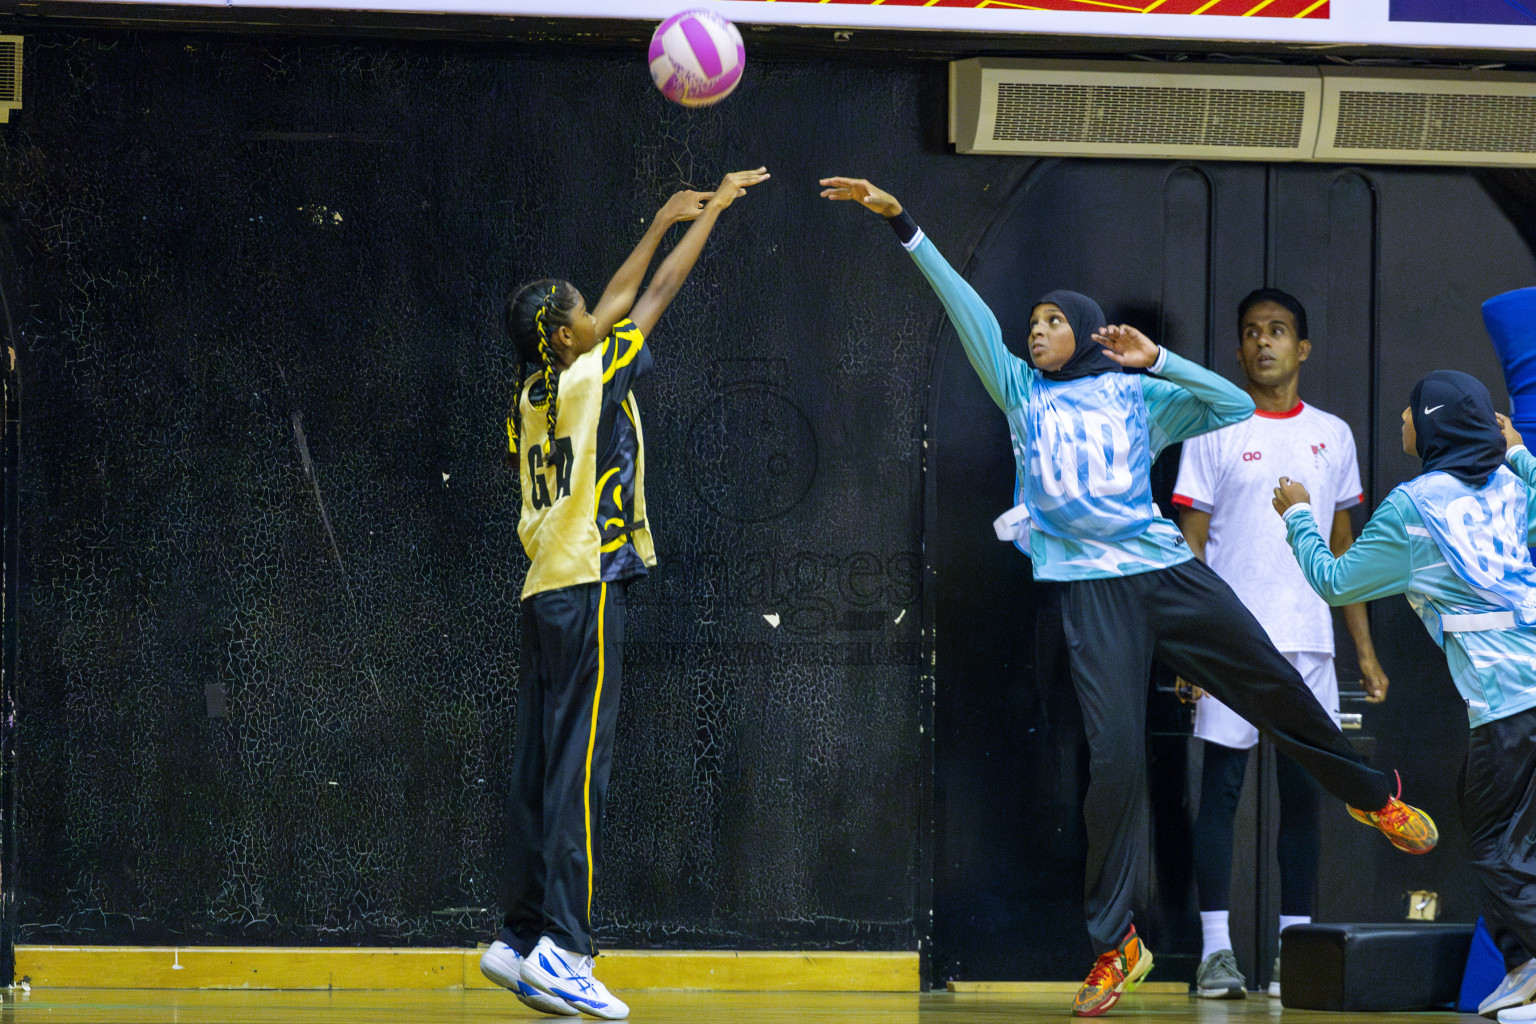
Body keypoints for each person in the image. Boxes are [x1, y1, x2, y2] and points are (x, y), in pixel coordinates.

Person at [818, 175, 1437, 1018]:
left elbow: (1228, 407)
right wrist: (905, 224)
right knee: (1111, 767)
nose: (1035, 331)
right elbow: (962, 305)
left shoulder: (1134, 395)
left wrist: (1162, 359)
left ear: (1082, 332)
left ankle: (1374, 801)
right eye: (1030, 323)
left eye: (1051, 320)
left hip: (1166, 576)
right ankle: (1120, 945)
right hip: (1092, 595)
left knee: (1269, 681)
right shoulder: (1019, 392)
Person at [479, 167, 770, 1020]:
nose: (595, 313)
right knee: (579, 775)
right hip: (584, 585)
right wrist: (706, 217)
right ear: (567, 339)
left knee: (539, 766)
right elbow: (654, 296)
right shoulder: (590, 375)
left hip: (540, 592)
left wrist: (655, 219)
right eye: (579, 313)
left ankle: (519, 933)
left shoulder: (531, 394)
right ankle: (566, 950)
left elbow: (610, 301)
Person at [1275, 370, 1536, 1023]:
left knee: (1492, 843)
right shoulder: (1510, 485)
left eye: (1413, 408)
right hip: (1520, 695)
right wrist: (1521, 451)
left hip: (1509, 703)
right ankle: (1525, 965)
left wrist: (1300, 516)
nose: (1401, 415)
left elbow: (1336, 581)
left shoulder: (1414, 507)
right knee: (1498, 835)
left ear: (1437, 423)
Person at [1171, 289, 1389, 1000]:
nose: (1264, 343)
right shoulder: (1212, 429)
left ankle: (1292, 954)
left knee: (1304, 798)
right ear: (1237, 350)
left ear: (1303, 348)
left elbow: (1343, 546)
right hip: (1230, 646)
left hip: (1310, 647)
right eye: (1251, 333)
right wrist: (1189, 648)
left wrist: (1363, 651)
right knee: (1222, 796)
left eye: (1278, 331)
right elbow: (1190, 545)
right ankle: (1215, 956)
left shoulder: (1334, 433)